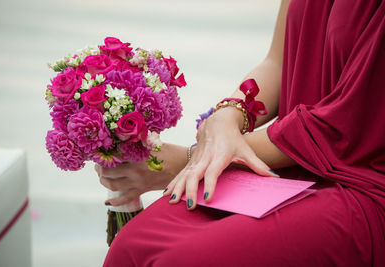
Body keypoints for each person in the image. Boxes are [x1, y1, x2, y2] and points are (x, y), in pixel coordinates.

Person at [96, 0, 385, 266]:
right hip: (286, 167)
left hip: (362, 182)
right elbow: (278, 61)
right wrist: (229, 115)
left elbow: (344, 128)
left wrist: (192, 160)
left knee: (183, 260)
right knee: (130, 247)